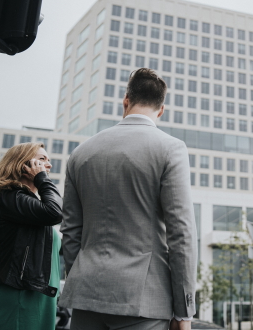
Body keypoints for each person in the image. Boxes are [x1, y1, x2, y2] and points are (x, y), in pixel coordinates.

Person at [59, 68, 198, 330]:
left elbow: (70, 230)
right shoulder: (170, 149)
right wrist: (183, 311)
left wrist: (83, 278)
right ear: (161, 110)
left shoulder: (81, 153)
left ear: (125, 101)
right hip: (145, 302)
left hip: (86, 298)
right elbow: (181, 234)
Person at [0, 142, 63, 329]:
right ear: (22, 164)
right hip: (19, 295)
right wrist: (43, 180)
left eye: (49, 160)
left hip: (40, 295)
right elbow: (54, 212)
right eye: (42, 159)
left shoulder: (26, 202)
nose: (49, 165)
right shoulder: (7, 196)